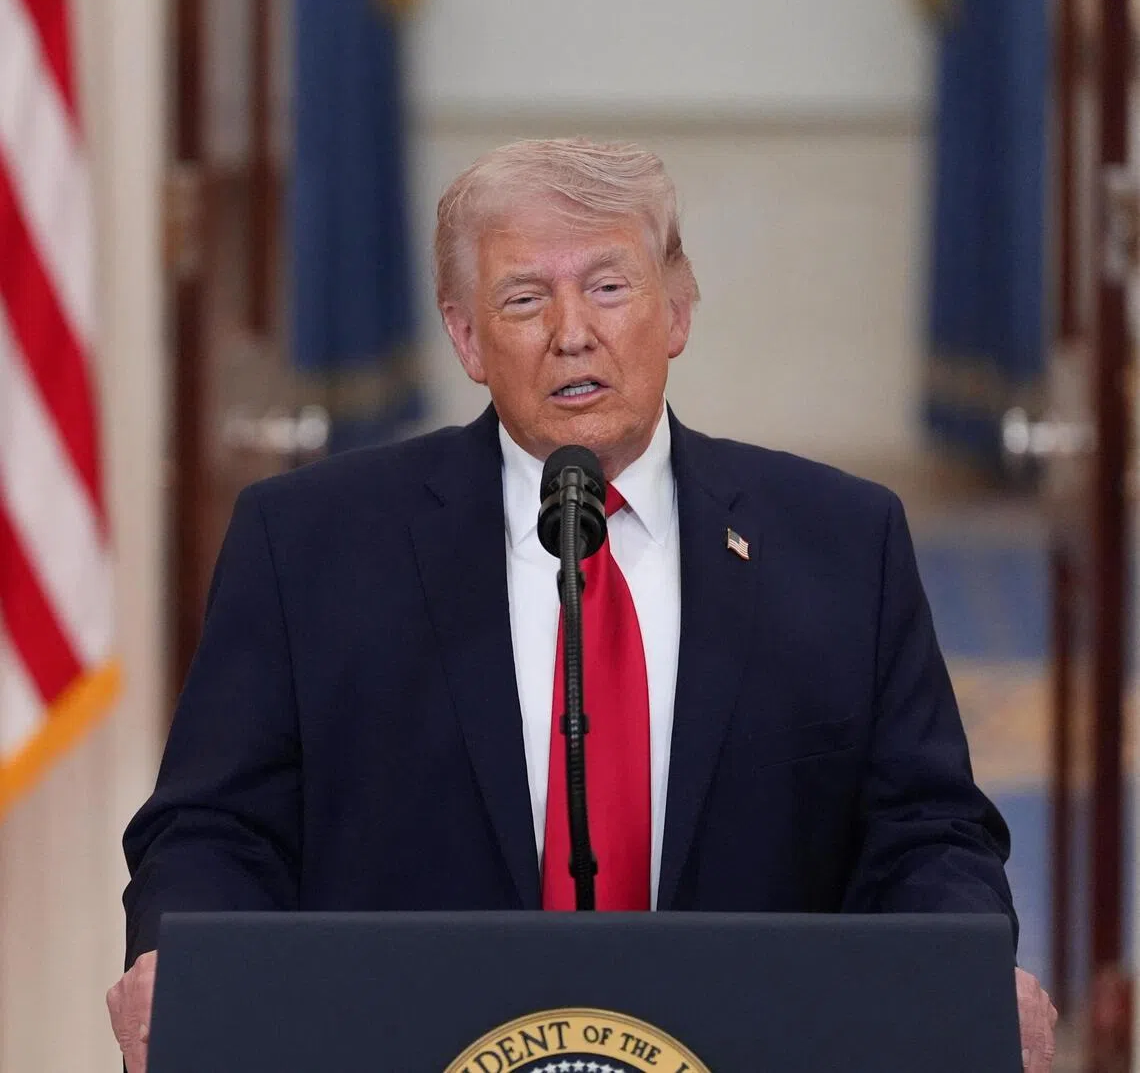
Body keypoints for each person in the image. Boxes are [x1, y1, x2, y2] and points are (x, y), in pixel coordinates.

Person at [107, 138, 1056, 1071]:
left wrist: (962, 965)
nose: (572, 332)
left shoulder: (843, 541)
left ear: (677, 311)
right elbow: (215, 829)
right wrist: (179, 960)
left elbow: (928, 830)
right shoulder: (308, 544)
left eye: (609, 287)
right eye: (525, 299)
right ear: (467, 339)